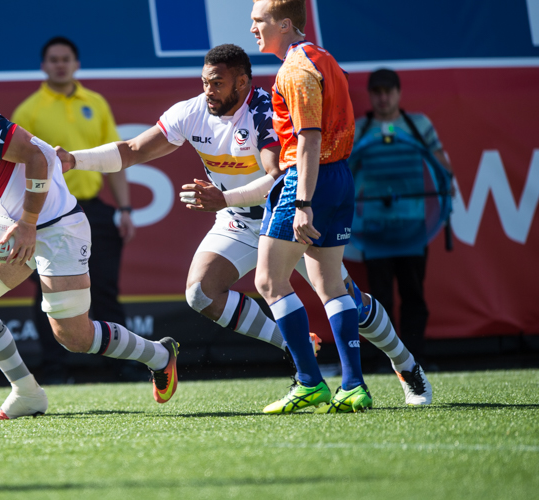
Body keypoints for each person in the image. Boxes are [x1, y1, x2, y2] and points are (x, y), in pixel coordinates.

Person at [55, 44, 432, 406]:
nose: (208, 91)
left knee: (343, 297)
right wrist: (74, 160)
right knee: (201, 292)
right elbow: (134, 149)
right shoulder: (191, 111)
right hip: (236, 220)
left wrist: (224, 199)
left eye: (217, 82)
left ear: (242, 82)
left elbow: (278, 177)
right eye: (204, 81)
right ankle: (294, 345)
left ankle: (405, 362)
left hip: (282, 215)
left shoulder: (265, 111)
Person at [0, 62, 179, 420]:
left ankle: (160, 355)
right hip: (11, 228)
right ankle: (26, 392)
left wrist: (28, 223)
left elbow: (39, 156)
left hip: (57, 227)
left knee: (75, 338)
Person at [248, 0, 369, 413]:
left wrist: (301, 202)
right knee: (331, 284)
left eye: (258, 21)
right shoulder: (323, 58)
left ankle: (308, 382)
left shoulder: (294, 69)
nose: (252, 30)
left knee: (268, 281)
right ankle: (353, 385)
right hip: (339, 177)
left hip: (309, 180)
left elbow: (309, 139)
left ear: (284, 24)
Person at [11, 37, 136, 383]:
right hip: (49, 214)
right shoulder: (28, 110)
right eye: (53, 60)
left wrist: (124, 208)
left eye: (66, 59)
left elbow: (117, 158)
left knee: (106, 289)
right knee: (48, 292)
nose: (60, 65)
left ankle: (122, 366)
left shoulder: (95, 103)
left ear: (76, 64)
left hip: (95, 210)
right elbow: (18, 169)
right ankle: (54, 370)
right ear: (44, 66)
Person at [354, 68, 453, 369]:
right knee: (378, 300)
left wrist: (447, 182)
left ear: (398, 93)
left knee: (413, 295)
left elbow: (442, 167)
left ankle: (415, 360)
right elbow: (344, 171)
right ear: (371, 95)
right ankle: (385, 362)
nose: (383, 98)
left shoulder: (418, 124)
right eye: (377, 92)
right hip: (374, 229)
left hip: (413, 227)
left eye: (388, 91)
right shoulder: (360, 127)